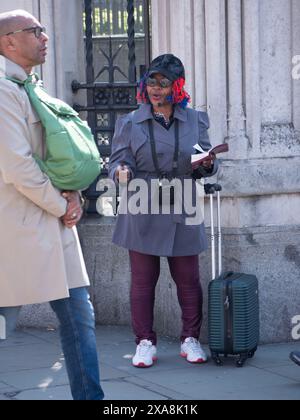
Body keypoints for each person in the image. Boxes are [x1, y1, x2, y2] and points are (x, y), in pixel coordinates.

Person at [0, 10, 104, 400]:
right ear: (8, 41)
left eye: (45, 29)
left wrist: (73, 193)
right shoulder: (2, 92)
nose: (44, 37)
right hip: (16, 229)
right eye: (34, 31)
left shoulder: (30, 86)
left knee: (80, 319)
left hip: (53, 222)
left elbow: (55, 155)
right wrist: (62, 206)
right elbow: (18, 168)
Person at [109, 54, 219, 368]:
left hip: (183, 202)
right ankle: (144, 342)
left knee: (188, 278)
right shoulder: (129, 122)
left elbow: (205, 162)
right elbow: (116, 162)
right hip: (141, 203)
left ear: (177, 86)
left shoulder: (196, 120)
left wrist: (207, 165)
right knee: (143, 281)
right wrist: (120, 171)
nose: (156, 89)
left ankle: (190, 339)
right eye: (152, 82)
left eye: (164, 83)